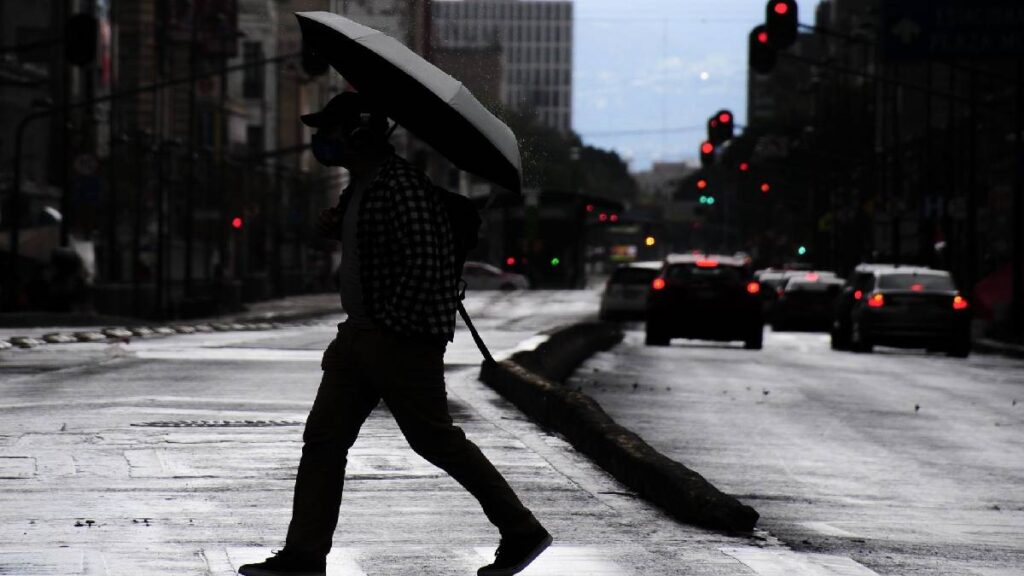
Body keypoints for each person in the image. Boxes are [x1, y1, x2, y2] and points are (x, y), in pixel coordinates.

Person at [238, 92, 551, 576]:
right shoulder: (361, 185)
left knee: (435, 441)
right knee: (324, 441)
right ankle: (304, 554)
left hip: (397, 339)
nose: (322, 141)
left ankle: (521, 530)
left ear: (361, 132)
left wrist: (390, 328)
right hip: (358, 337)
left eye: (331, 130)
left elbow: (426, 263)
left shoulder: (401, 185)